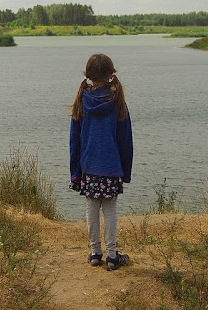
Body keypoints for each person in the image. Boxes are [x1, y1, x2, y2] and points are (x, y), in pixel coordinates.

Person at [69, 53, 133, 271]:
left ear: (88, 75)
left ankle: (95, 253)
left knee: (91, 209)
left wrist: (75, 172)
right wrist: (125, 170)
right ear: (111, 74)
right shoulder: (118, 103)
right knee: (110, 209)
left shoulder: (81, 101)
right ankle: (112, 256)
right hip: (111, 167)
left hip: (88, 167)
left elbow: (74, 141)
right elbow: (126, 141)